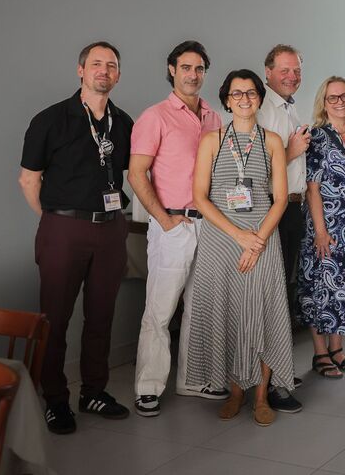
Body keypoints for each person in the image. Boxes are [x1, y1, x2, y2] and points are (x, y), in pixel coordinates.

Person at [19, 41, 134, 434]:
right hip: (64, 228)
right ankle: (54, 400)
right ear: (80, 70)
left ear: (118, 75)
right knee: (55, 318)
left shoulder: (124, 122)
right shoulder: (51, 119)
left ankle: (94, 392)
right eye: (96, 63)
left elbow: (128, 174)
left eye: (112, 65)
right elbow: (29, 179)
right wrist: (56, 220)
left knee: (101, 316)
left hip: (112, 228)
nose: (104, 70)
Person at [185, 70, 294, 426]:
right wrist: (238, 236)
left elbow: (280, 199)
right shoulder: (212, 140)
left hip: (263, 235)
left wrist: (257, 239)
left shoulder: (273, 141)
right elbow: (200, 198)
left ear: (259, 98)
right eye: (236, 94)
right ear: (226, 99)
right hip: (222, 239)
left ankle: (261, 395)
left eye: (250, 93)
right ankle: (234, 391)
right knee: (230, 312)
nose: (244, 99)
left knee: (262, 312)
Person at [130, 41, 224, 417]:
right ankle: (148, 387)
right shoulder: (154, 117)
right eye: (186, 67)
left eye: (199, 68)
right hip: (173, 224)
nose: (193, 75)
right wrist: (164, 220)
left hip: (209, 227)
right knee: (160, 310)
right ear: (172, 70)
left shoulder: (215, 118)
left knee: (198, 310)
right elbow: (137, 174)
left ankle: (191, 379)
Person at [298, 76, 345, 379]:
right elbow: (312, 187)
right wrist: (320, 231)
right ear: (323, 103)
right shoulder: (316, 136)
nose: (339, 102)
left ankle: (337, 348)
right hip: (325, 222)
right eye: (332, 98)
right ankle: (319, 353)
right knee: (321, 286)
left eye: (344, 96)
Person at [255, 44, 309, 412]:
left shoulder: (289, 108)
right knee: (271, 300)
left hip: (294, 211)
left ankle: (278, 371)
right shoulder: (261, 111)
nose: (292, 76)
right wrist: (291, 151)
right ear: (268, 72)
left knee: (283, 294)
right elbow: (255, 171)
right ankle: (269, 384)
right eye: (284, 70)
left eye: (296, 71)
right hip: (271, 213)